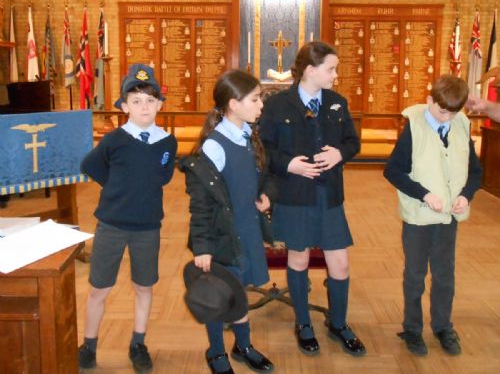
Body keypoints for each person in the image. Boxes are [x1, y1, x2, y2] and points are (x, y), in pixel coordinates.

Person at [259, 41, 366, 358]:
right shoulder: (277, 105)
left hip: (329, 196)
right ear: (309, 70)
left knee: (340, 263)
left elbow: (352, 142)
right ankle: (303, 323)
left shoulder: (337, 103)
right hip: (295, 195)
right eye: (330, 69)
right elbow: (263, 150)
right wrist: (288, 164)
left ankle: (338, 323)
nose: (335, 75)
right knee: (299, 259)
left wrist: (340, 154)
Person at [78, 64, 178, 371]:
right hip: (112, 224)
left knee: (144, 286)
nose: (144, 106)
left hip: (147, 226)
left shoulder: (167, 142)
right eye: (136, 101)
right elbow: (91, 165)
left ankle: (138, 342)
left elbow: (163, 177)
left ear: (160, 104)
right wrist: (116, 187)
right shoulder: (114, 140)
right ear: (124, 107)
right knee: (100, 288)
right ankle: (89, 345)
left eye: (150, 100)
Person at [179, 69, 275, 374]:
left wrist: (264, 195)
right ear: (234, 104)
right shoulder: (215, 146)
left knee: (239, 291)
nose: (261, 105)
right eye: (255, 99)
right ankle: (216, 351)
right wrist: (203, 247)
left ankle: (242, 345)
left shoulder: (248, 135)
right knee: (219, 296)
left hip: (246, 230)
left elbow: (260, 175)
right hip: (223, 237)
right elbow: (201, 205)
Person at [384, 74, 482, 357]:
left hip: (448, 219)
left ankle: (442, 326)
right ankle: (412, 329)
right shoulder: (414, 127)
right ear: (430, 100)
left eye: (453, 113)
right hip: (419, 218)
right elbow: (392, 171)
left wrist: (465, 195)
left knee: (444, 275)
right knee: (415, 275)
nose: (446, 118)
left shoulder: (460, 124)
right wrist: (424, 194)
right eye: (441, 111)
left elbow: (475, 171)